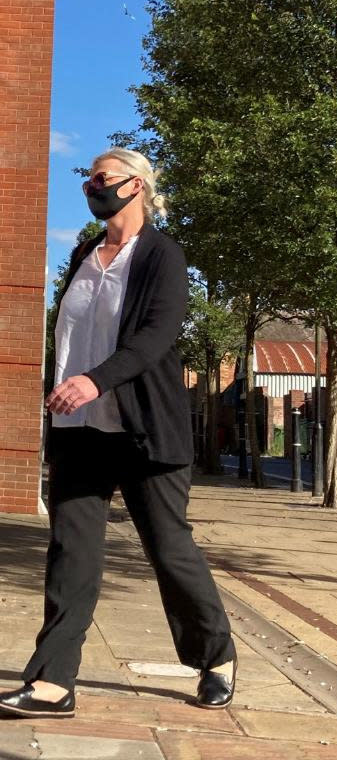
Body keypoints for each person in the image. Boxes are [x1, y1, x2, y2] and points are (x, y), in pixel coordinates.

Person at [0, 149, 237, 718]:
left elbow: (155, 336)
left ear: (136, 186)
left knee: (169, 549)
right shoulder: (85, 254)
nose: (92, 186)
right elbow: (72, 335)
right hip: (79, 430)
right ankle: (53, 683)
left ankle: (216, 656)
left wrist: (94, 381)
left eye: (102, 178)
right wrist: (63, 389)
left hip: (143, 429)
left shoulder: (161, 255)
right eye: (89, 178)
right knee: (71, 553)